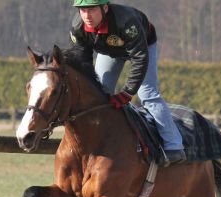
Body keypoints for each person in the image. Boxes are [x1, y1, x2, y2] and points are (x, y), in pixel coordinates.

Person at [70, 0, 186, 164]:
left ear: (105, 8)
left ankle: (174, 146)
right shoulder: (78, 27)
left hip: (142, 47)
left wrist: (127, 92)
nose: (86, 16)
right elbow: (83, 61)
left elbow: (139, 59)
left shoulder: (126, 22)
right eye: (82, 10)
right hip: (110, 52)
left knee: (147, 94)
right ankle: (102, 139)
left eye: (91, 10)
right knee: (99, 93)